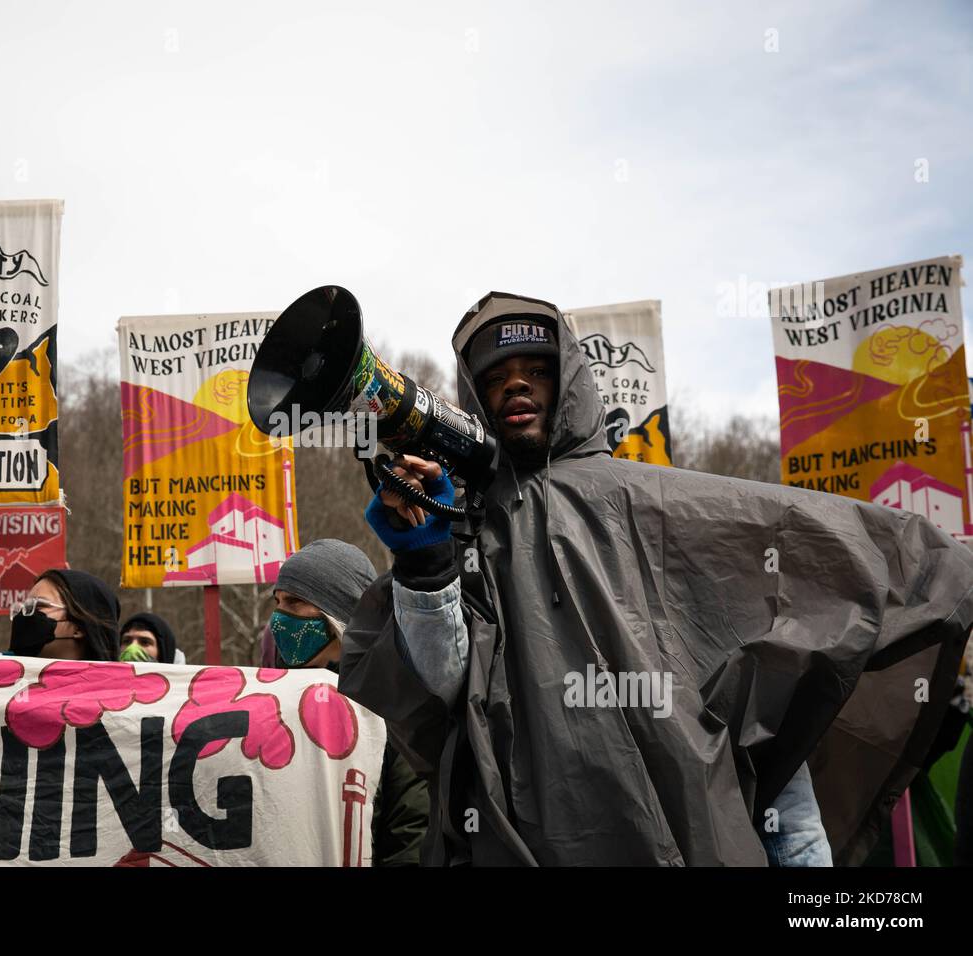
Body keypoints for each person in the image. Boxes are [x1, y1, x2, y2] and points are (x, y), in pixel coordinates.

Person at [341, 291, 973, 866]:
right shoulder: (462, 521)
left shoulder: (662, 507)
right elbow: (444, 686)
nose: (518, 387)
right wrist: (425, 564)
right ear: (474, 397)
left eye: (537, 371)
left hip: (683, 832)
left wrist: (934, 567)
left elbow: (802, 568)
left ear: (569, 383)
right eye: (497, 379)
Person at [270, 539, 429, 867]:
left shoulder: (391, 705)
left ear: (337, 614)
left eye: (296, 602)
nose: (279, 618)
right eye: (278, 602)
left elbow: (409, 830)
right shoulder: (273, 699)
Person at [9, 569, 119, 661]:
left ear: (79, 627)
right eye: (24, 607)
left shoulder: (116, 687)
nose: (23, 616)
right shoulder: (1, 683)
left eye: (39, 605)